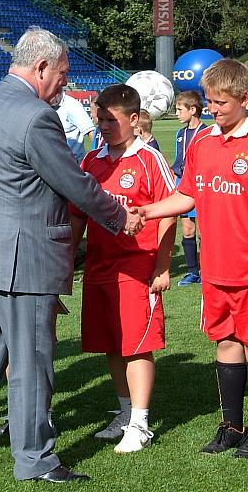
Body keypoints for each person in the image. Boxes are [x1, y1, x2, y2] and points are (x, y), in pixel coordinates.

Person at [0, 27, 142, 484]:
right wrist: (119, 217)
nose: (65, 83)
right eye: (62, 74)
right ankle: (35, 459)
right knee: (32, 361)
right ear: (41, 66)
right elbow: (74, 183)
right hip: (25, 259)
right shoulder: (36, 117)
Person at [137, 59, 248, 458]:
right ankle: (231, 425)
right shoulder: (202, 142)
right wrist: (148, 211)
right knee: (225, 342)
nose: (214, 108)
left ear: (243, 99)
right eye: (209, 101)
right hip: (216, 267)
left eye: (221, 102)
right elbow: (190, 194)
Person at [71, 84, 176, 453]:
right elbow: (78, 215)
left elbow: (169, 212)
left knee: (136, 346)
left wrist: (162, 265)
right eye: (99, 119)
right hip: (99, 267)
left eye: (110, 120)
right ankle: (125, 412)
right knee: (112, 346)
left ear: (134, 120)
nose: (103, 126)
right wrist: (68, 261)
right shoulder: (91, 161)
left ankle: (141, 423)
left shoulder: (149, 160)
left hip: (136, 268)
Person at [172, 90, 207, 287]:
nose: (177, 113)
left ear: (192, 109)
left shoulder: (206, 132)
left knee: (204, 231)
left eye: (179, 109)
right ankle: (192, 272)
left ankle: (206, 270)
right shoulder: (180, 133)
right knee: (187, 229)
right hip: (183, 184)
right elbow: (179, 160)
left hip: (200, 185)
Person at [54, 91, 96, 163]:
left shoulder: (71, 105)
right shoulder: (42, 104)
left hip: (73, 164)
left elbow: (91, 132)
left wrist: (99, 161)